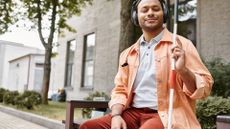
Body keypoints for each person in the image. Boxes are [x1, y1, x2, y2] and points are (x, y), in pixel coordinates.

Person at [79, 0, 213, 129]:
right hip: (132, 113)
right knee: (88, 126)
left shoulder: (182, 45)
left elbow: (205, 88)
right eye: (144, 10)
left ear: (164, 13)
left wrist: (183, 71)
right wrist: (116, 115)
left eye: (155, 9)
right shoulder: (127, 54)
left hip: (165, 115)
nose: (150, 13)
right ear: (136, 16)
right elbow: (120, 90)